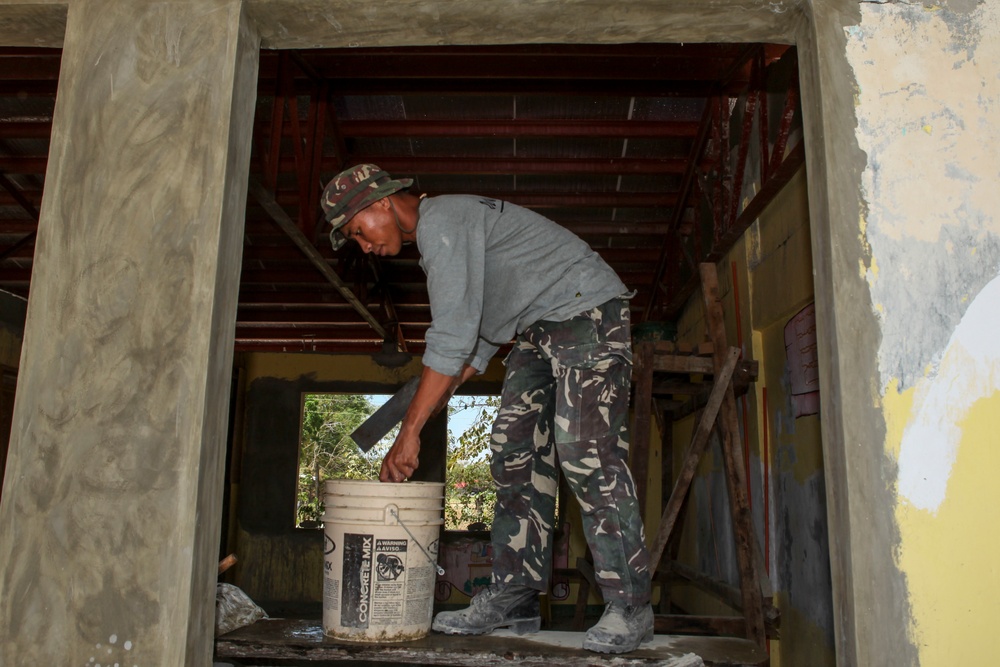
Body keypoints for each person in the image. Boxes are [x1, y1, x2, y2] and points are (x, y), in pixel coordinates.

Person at [320, 163, 653, 654]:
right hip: (537, 328)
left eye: (357, 232)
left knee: (585, 448)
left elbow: (451, 339)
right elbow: (474, 345)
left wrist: (409, 433)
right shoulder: (444, 237)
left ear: (379, 203)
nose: (363, 246)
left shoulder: (442, 222)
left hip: (586, 310)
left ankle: (631, 605)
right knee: (513, 451)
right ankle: (516, 598)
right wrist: (425, 411)